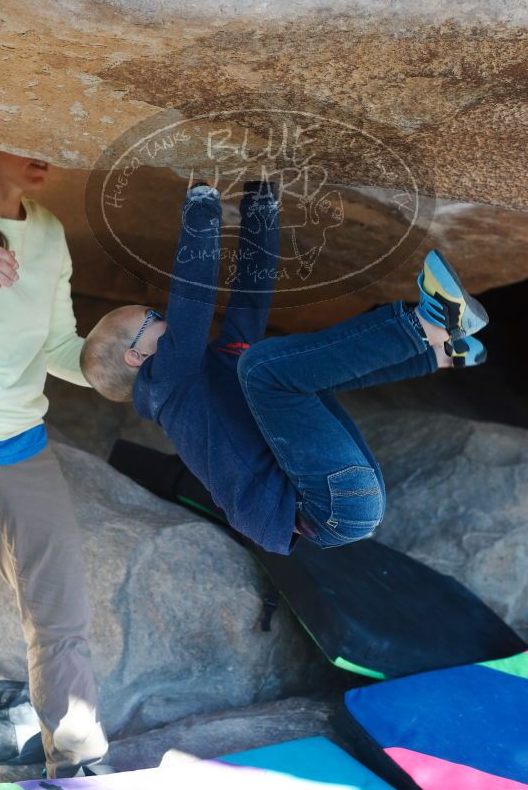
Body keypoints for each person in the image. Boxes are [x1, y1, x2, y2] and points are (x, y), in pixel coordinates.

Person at [81, 181, 488, 555]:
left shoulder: (210, 372)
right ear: (137, 356)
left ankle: (439, 352)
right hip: (325, 504)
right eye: (151, 317)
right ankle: (430, 323)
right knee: (265, 370)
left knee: (299, 371)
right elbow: (192, 302)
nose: (162, 315)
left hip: (346, 498)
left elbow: (250, 297)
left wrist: (260, 204)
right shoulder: (164, 385)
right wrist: (200, 206)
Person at [0, 151, 108, 777]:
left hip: (20, 450)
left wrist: (119, 358)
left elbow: (60, 345)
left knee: (60, 614)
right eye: (25, 136)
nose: (46, 150)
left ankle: (75, 762)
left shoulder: (46, 231)